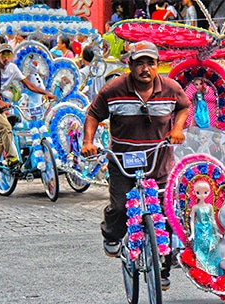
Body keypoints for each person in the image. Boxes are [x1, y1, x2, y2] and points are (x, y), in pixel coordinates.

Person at [80, 41, 190, 290]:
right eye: (139, 63)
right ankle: (111, 234)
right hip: (123, 163)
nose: (145, 69)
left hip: (159, 163)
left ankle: (162, 267)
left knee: (165, 215)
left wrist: (177, 128)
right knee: (120, 208)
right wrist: (88, 141)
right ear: (130, 65)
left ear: (157, 65)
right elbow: (93, 114)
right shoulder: (114, 89)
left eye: (150, 63)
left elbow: (184, 106)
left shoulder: (171, 88)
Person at [0, 39, 56, 178]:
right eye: (3, 55)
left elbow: (28, 85)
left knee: (7, 131)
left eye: (8, 55)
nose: (6, 58)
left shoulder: (13, 68)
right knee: (6, 128)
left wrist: (46, 93)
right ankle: (12, 159)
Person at [188, 180, 220, 275]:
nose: (202, 195)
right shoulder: (195, 207)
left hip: (209, 228)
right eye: (199, 193)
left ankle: (211, 269)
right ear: (195, 193)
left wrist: (217, 231)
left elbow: (213, 219)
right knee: (201, 248)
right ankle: (202, 269)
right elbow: (192, 220)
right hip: (199, 229)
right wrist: (192, 233)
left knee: (211, 247)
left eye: (205, 192)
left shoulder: (209, 206)